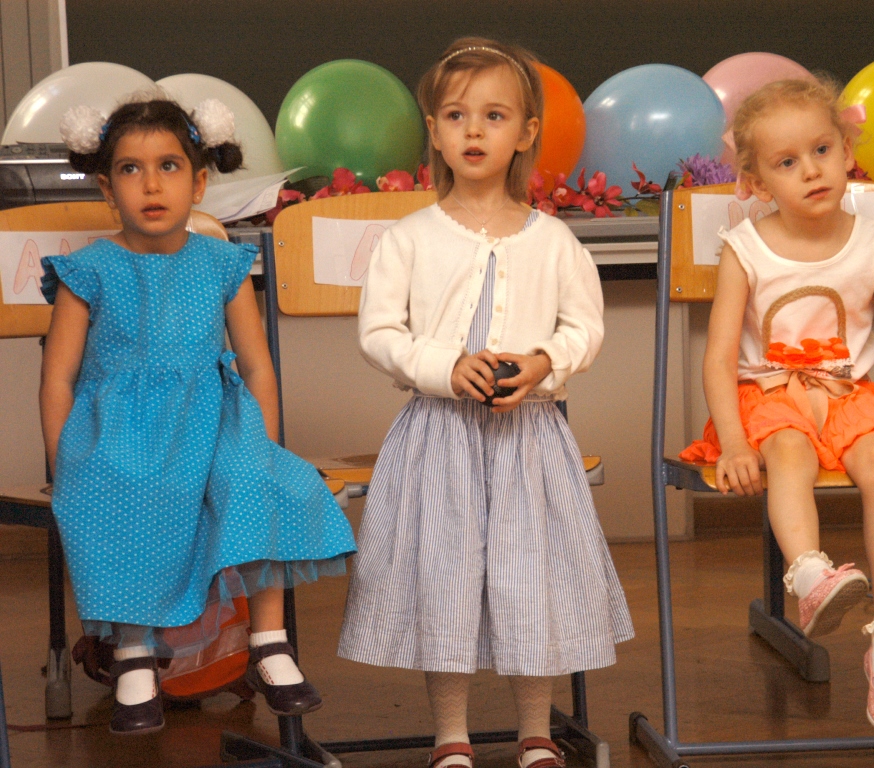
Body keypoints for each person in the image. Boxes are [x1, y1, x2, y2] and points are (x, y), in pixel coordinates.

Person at [338, 38, 632, 768]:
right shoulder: (408, 238)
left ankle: (536, 730)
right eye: (455, 115)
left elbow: (584, 327)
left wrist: (542, 363)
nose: (473, 130)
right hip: (438, 439)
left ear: (526, 133)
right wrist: (444, 367)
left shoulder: (554, 240)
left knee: (530, 578)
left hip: (527, 442)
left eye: (494, 116)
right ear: (434, 131)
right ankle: (451, 736)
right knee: (447, 583)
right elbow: (380, 333)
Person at [40, 96, 356, 735]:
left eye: (169, 166)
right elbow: (59, 377)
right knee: (120, 486)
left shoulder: (220, 264)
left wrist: (263, 441)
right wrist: (61, 459)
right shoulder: (89, 271)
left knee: (257, 478)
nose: (152, 185)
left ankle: (268, 642)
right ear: (107, 189)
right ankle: (134, 650)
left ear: (200, 181)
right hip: (122, 434)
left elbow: (257, 366)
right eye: (130, 170)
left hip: (213, 424)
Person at [680, 78, 874, 734]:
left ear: (846, 150)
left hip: (846, 392)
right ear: (756, 183)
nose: (811, 170)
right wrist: (734, 444)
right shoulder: (745, 248)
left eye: (822, 150)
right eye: (787, 161)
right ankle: (808, 576)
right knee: (788, 450)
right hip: (768, 396)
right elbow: (719, 357)